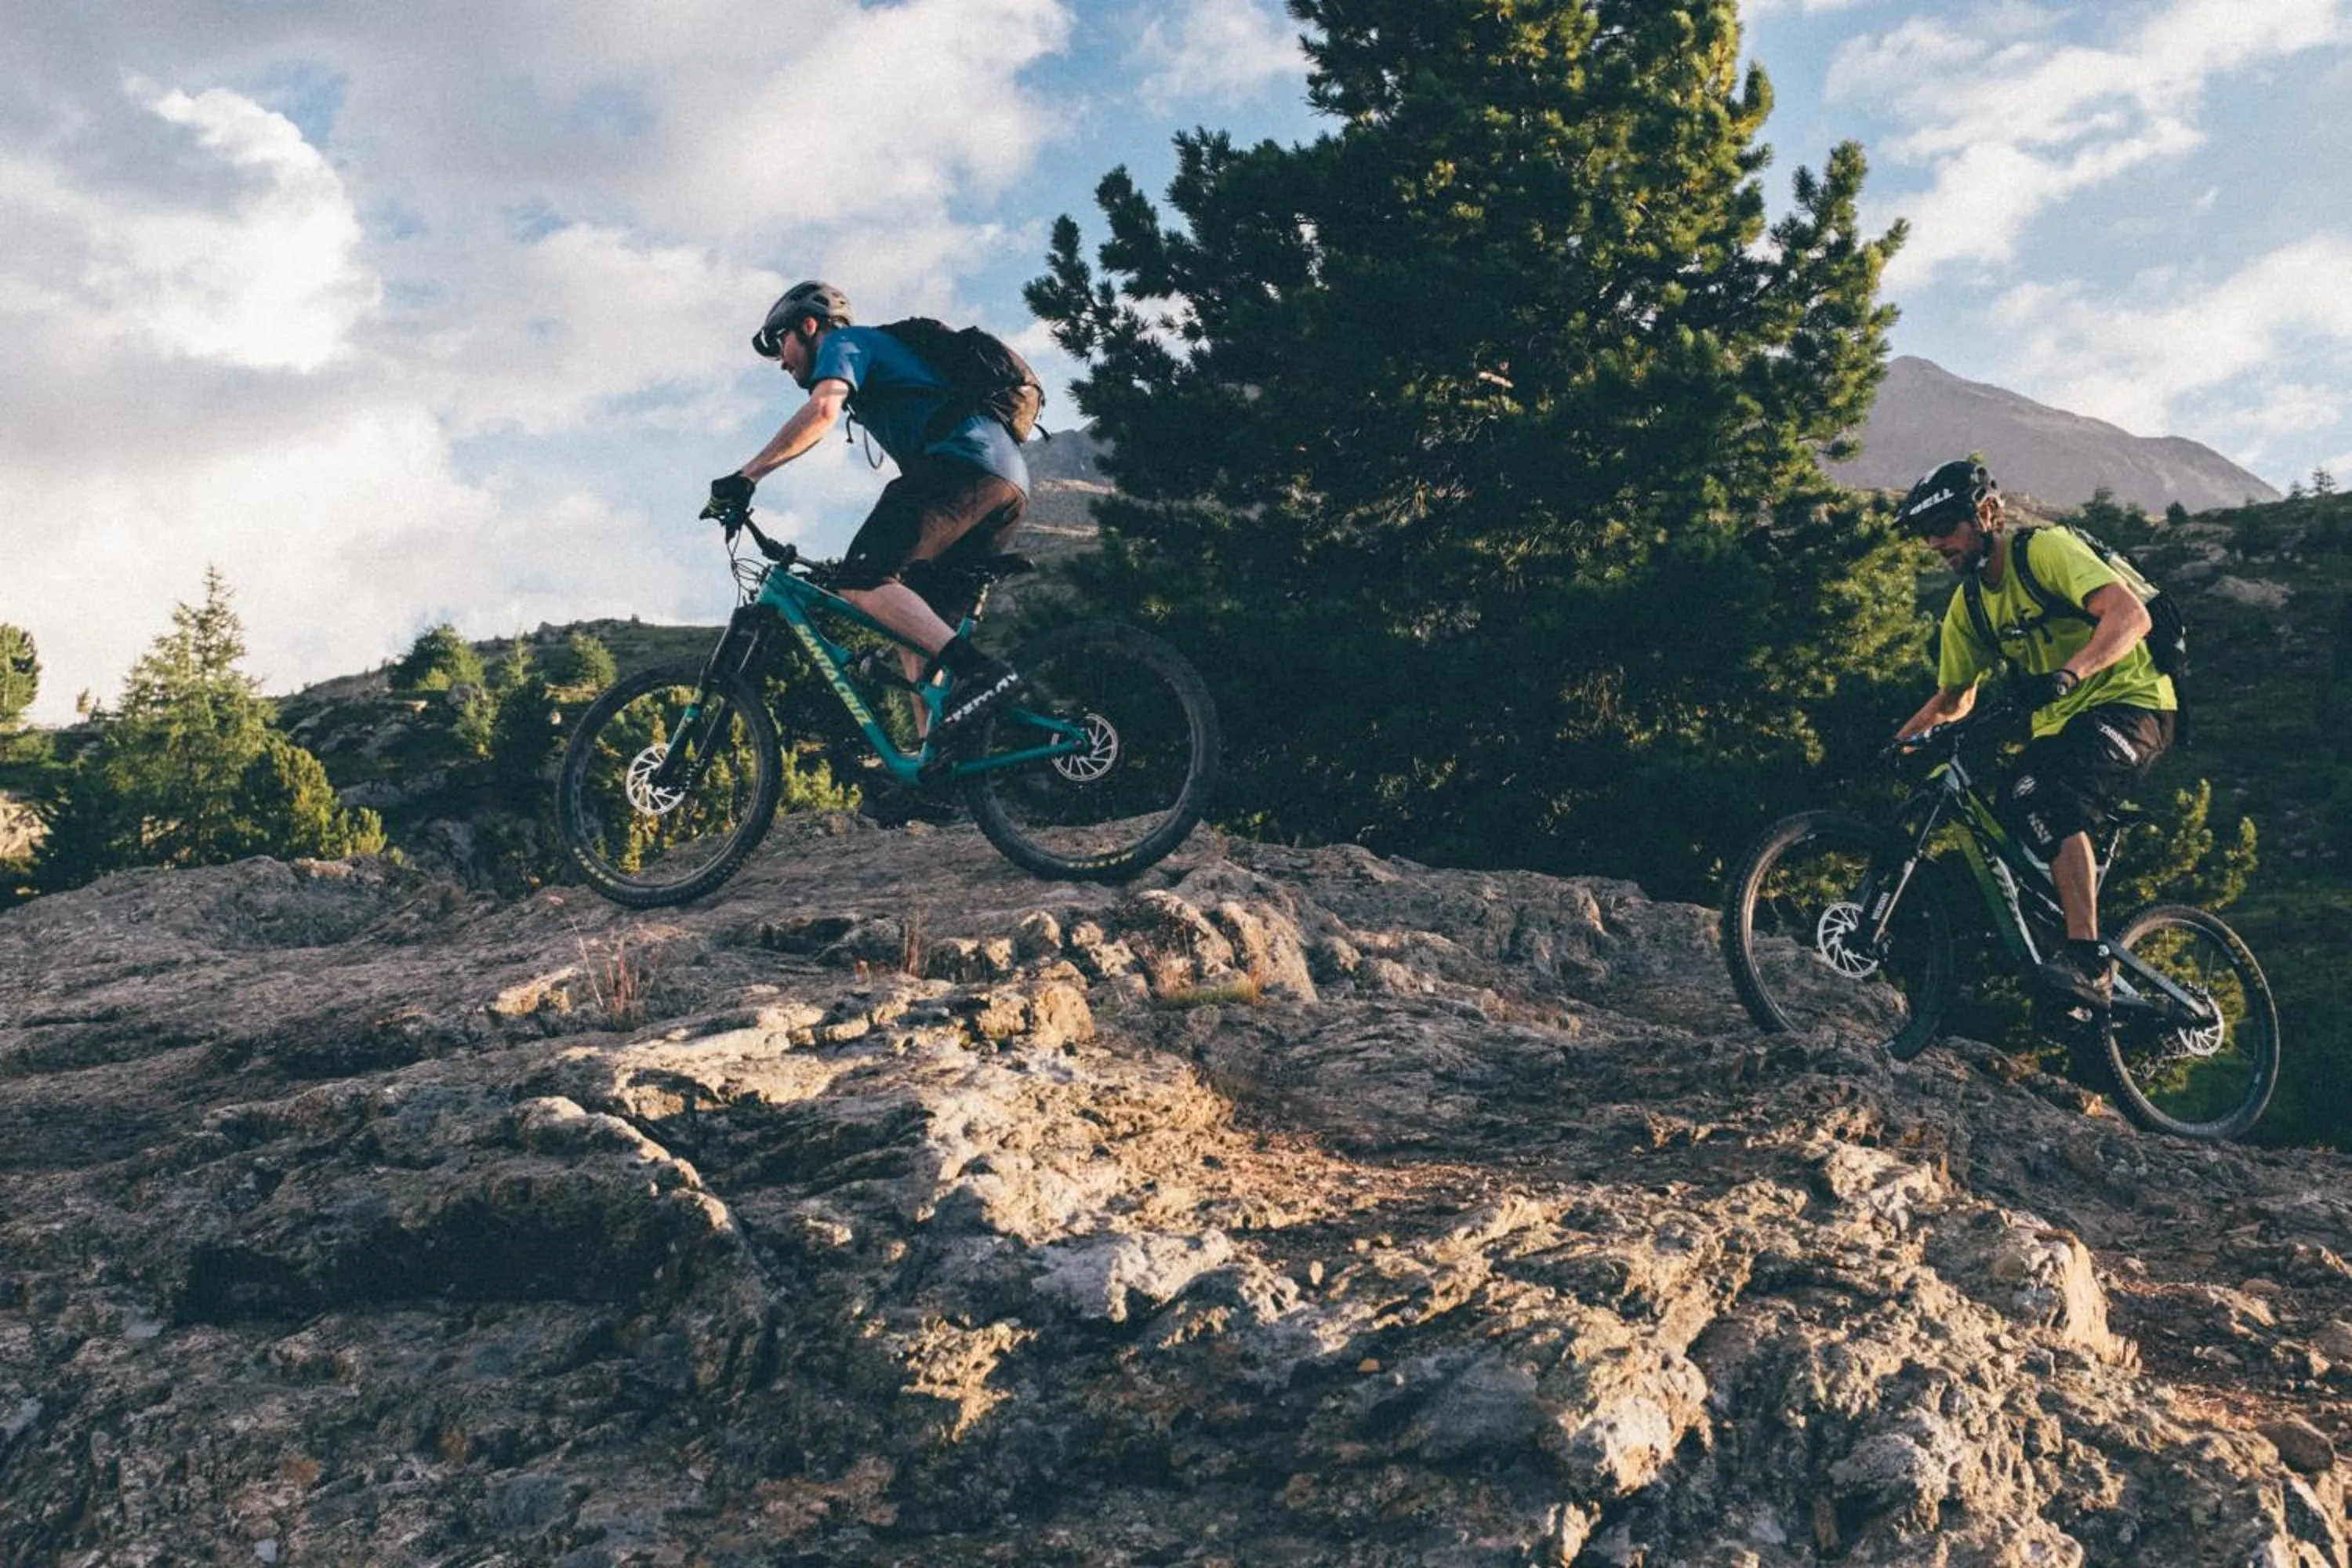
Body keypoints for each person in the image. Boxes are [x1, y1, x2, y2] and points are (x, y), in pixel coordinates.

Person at [1893, 458, 2179, 1006]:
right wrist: (1900, 743)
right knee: (2016, 803)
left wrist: (2072, 672)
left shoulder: (2044, 552)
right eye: (1924, 533)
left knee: (2049, 789)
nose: (1934, 542)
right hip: (2064, 727)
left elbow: (2129, 617)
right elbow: (1954, 698)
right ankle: (2069, 979)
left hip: (2134, 703)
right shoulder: (1970, 608)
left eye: (1945, 525)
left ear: (1986, 514)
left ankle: (2088, 962)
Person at [701, 280, 1028, 745]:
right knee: (917, 633)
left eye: (783, 342)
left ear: (809, 326)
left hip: (965, 467)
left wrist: (746, 476)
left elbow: (821, 412)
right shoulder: (879, 364)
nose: (781, 360)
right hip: (1002, 480)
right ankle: (934, 768)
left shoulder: (845, 342)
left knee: (862, 578)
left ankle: (982, 673)